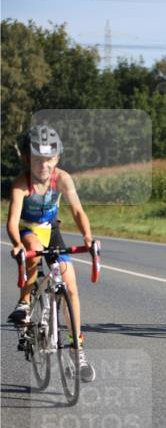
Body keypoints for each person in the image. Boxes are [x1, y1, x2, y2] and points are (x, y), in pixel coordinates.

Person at [6, 124, 96, 383]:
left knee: (70, 284)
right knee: (33, 252)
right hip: (28, 230)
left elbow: (77, 211)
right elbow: (12, 221)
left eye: (49, 159)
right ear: (27, 159)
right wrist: (17, 243)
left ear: (57, 158)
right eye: (38, 160)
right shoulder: (21, 184)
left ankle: (77, 350)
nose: (44, 165)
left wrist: (87, 237)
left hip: (51, 230)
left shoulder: (62, 178)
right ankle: (25, 303)